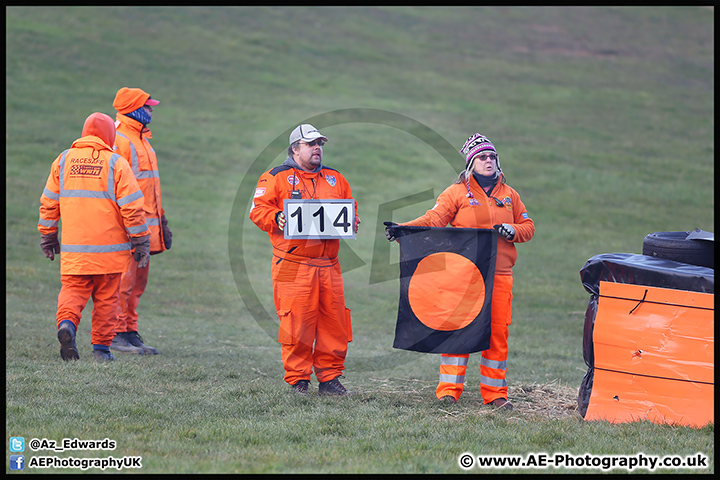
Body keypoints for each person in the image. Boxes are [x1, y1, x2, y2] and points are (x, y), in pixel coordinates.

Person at [385, 133, 534, 409]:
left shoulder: (510, 195)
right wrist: (404, 230)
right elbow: (434, 219)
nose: (488, 161)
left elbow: (528, 228)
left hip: (500, 276)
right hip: (465, 278)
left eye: (492, 157)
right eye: (482, 157)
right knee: (459, 331)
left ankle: (495, 394)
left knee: (497, 335)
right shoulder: (456, 192)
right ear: (471, 163)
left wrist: (512, 230)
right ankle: (449, 391)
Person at [249, 124, 360, 396]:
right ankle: (298, 380)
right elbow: (258, 210)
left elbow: (350, 208)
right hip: (291, 264)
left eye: (319, 143)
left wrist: (352, 221)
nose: (317, 148)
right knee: (296, 324)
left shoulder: (336, 178)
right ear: (295, 148)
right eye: (310, 144)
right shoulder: (275, 176)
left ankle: (330, 379)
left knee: (334, 323)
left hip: (329, 265)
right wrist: (276, 218)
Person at [38, 112, 151, 361]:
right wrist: (141, 240)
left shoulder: (63, 160)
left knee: (72, 291)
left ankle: (67, 324)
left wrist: (48, 236)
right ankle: (101, 349)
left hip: (74, 251)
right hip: (109, 253)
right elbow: (132, 206)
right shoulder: (116, 163)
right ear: (109, 134)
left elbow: (48, 202)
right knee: (107, 300)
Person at [110, 87, 172, 355]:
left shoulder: (142, 140)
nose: (151, 110)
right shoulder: (120, 139)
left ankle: (129, 331)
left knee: (137, 283)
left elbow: (149, 190)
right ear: (134, 109)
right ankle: (115, 332)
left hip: (146, 227)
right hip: (129, 227)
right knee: (123, 282)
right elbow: (115, 188)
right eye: (147, 106)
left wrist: (163, 222)